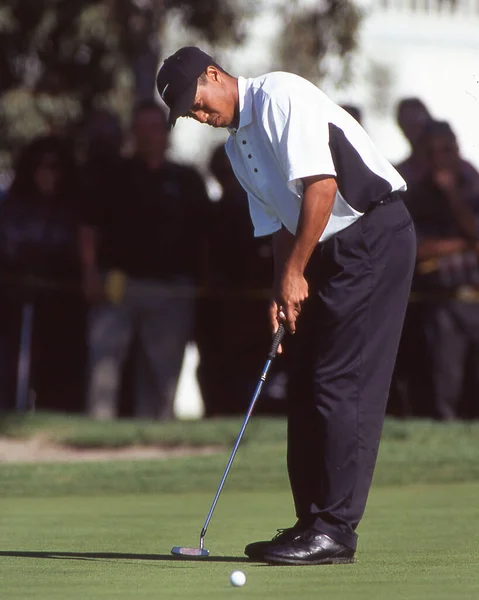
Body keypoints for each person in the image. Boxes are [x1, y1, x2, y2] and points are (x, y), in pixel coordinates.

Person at [156, 47, 416, 565]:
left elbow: (322, 188)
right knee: (305, 381)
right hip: (324, 247)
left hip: (373, 236)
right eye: (189, 114)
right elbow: (277, 224)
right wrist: (282, 284)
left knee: (340, 381)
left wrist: (297, 271)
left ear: (214, 74)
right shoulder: (236, 148)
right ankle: (310, 523)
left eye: (198, 101)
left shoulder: (279, 94)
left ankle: (335, 530)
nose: (200, 115)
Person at [79, 100, 210, 420]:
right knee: (104, 368)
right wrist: (89, 273)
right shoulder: (113, 175)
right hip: (118, 285)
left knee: (161, 376)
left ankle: (153, 444)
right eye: (142, 128)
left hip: (172, 290)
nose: (149, 136)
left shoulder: (187, 180)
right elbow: (87, 227)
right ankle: (96, 436)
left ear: (166, 134)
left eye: (155, 128)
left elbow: (205, 235)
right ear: (132, 134)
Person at [0, 135, 84, 412]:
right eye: (44, 166)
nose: (49, 174)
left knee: (55, 371)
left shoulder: (71, 210)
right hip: (14, 305)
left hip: (59, 307)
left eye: (56, 167)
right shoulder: (12, 205)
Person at [405, 120, 479, 420]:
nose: (439, 158)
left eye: (446, 150)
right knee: (444, 386)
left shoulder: (473, 189)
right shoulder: (415, 197)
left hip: (475, 295)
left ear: (457, 150)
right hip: (442, 302)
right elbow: (417, 249)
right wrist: (465, 243)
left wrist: (452, 195)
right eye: (431, 151)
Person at [195, 144, 276, 416]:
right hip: (220, 314)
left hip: (257, 313)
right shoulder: (211, 214)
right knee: (219, 374)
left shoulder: (265, 210)